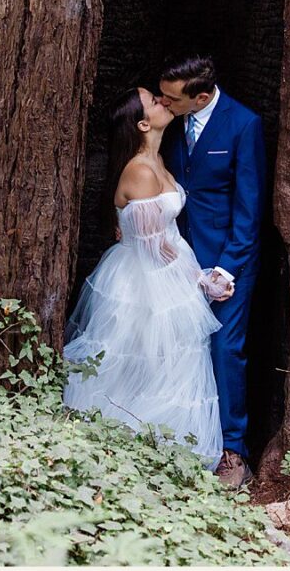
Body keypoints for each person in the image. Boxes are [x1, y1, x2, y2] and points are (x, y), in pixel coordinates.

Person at [61, 87, 224, 469]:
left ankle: (159, 448)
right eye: (155, 101)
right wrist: (200, 280)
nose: (164, 102)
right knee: (144, 361)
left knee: (168, 363)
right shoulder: (140, 169)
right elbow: (156, 248)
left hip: (165, 267)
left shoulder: (157, 159)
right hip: (145, 278)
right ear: (143, 123)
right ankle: (129, 445)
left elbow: (164, 237)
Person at [157, 53, 265, 489]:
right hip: (176, 257)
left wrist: (227, 268)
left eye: (172, 99)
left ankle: (232, 450)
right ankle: (183, 439)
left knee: (224, 350)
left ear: (201, 97)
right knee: (179, 346)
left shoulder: (243, 125)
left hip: (226, 260)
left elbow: (249, 206)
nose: (163, 104)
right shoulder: (172, 123)